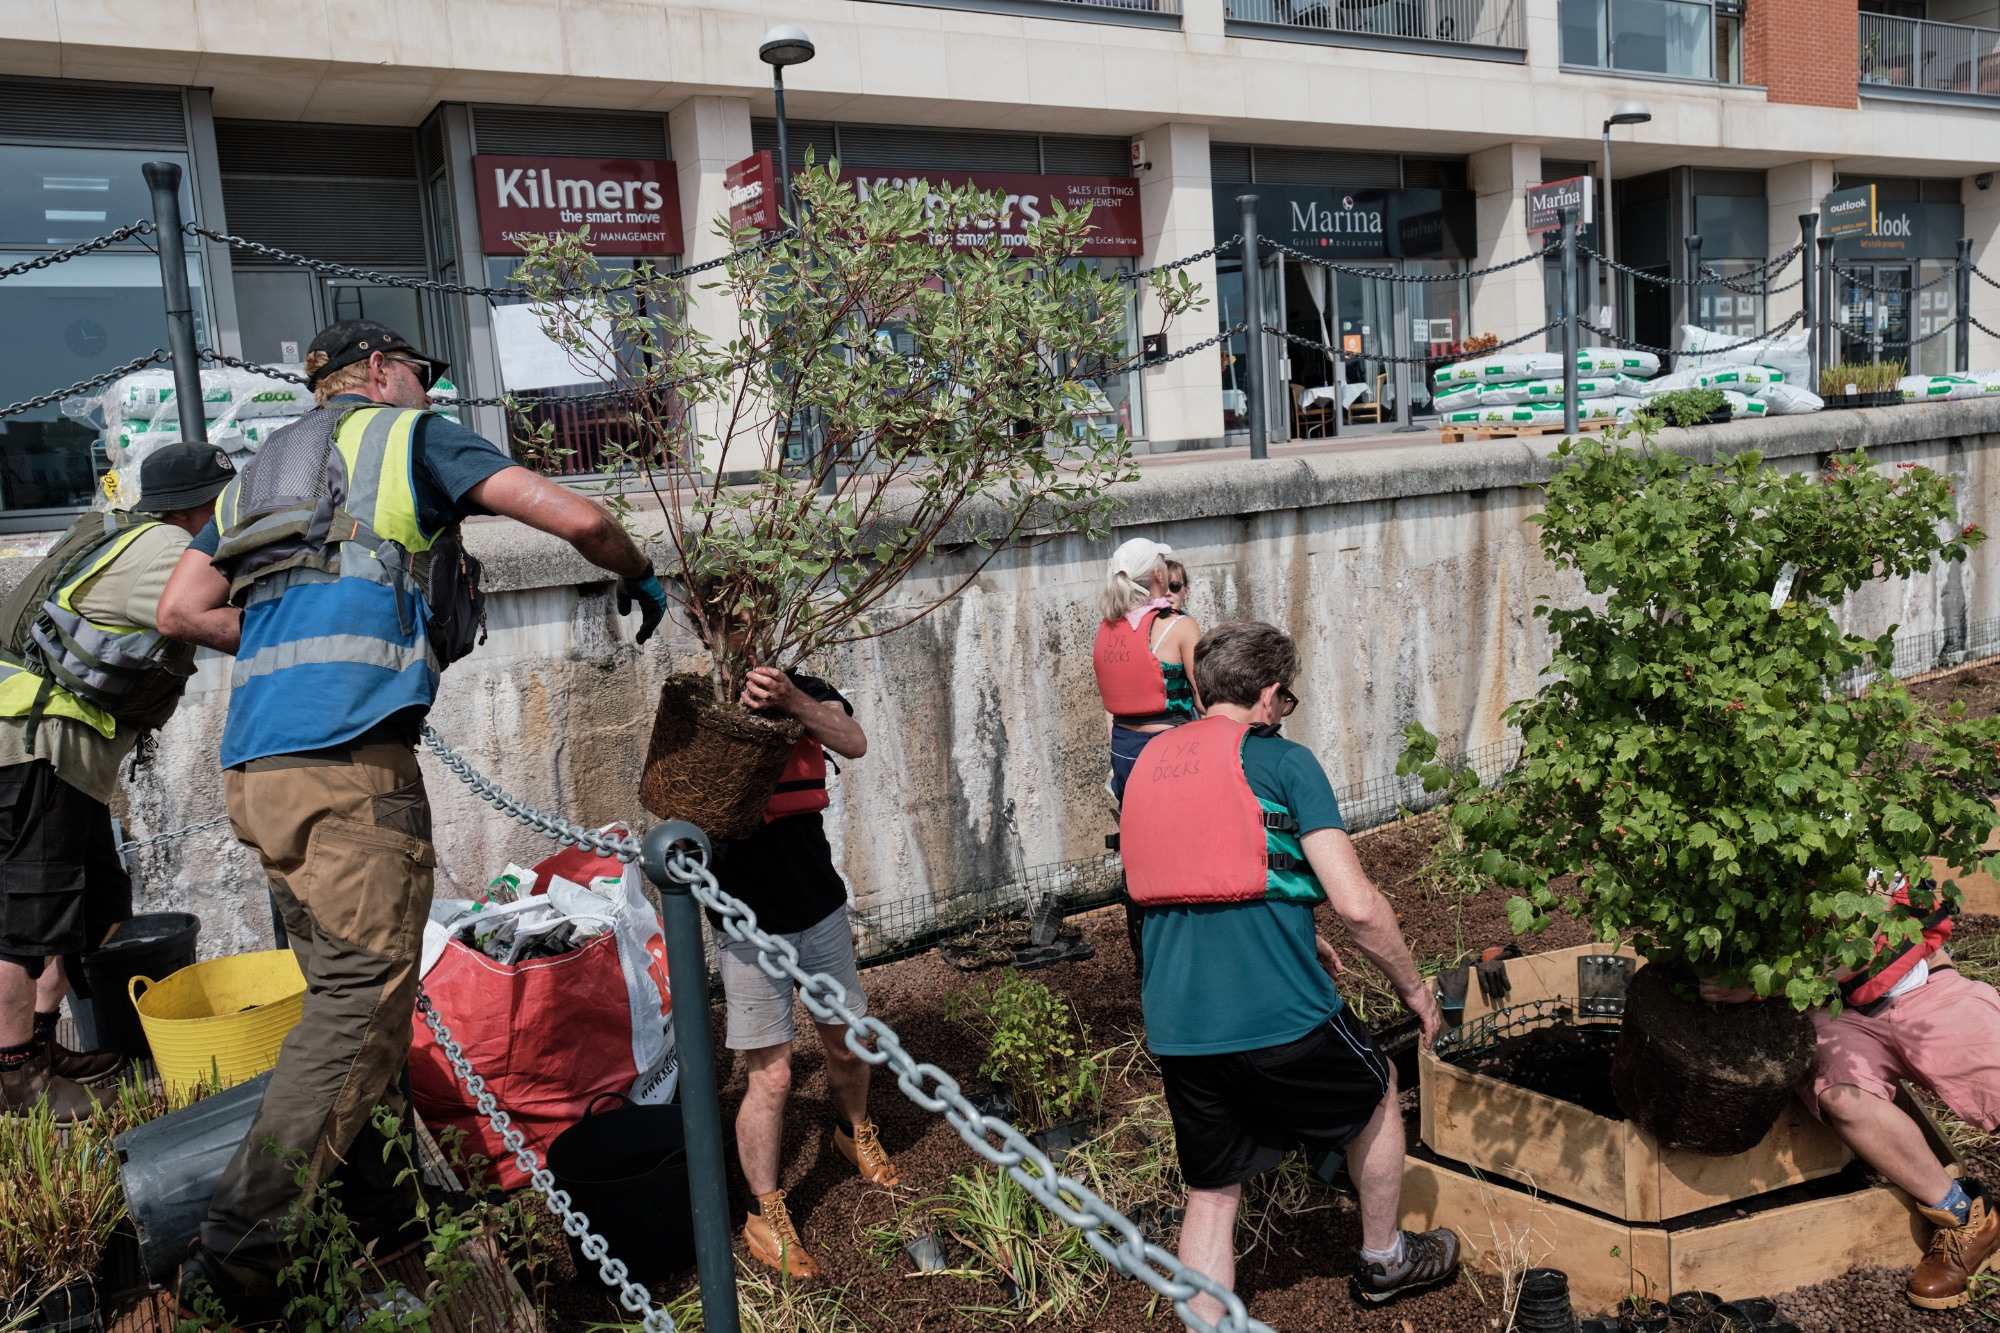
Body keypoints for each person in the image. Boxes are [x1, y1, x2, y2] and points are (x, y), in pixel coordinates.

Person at [155, 319, 670, 1324]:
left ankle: (387, 1205)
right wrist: (634, 569)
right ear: (383, 374)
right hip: (352, 771)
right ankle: (237, 1259)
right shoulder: (407, 436)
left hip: (259, 768)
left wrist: (284, 640)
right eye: (422, 378)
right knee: (358, 1004)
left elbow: (180, 608)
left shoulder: (261, 470)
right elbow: (565, 511)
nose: (430, 394)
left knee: (347, 1002)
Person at [1118, 621, 1458, 1322]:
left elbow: (1186, 877)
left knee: (1212, 1192)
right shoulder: (1283, 759)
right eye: (1285, 699)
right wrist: (1415, 989)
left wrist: (1298, 934)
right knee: (1377, 1085)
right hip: (1279, 1012)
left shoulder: (1145, 763)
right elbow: (1359, 907)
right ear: (1270, 695)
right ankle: (1386, 1258)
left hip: (1180, 1025)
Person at [0, 443, 241, 1117]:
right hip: (32, 742)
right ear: (201, 507)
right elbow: (197, 611)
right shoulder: (167, 550)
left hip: (61, 751)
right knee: (24, 921)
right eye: (227, 504)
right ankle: (15, 1075)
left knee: (85, 908)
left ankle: (43, 1047)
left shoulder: (119, 536)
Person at [1701, 875, 1999, 1311]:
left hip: (1927, 991)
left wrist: (1757, 987)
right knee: (1841, 1096)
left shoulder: (1853, 825)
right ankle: (1964, 1218)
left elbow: (1861, 944)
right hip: (1835, 1014)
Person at [713, 663, 893, 1278]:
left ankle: (852, 1131)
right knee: (773, 1080)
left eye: (757, 601)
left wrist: (791, 700)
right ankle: (765, 1215)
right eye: (729, 609)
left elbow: (853, 741)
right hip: (743, 919)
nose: (746, 618)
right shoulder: (706, 694)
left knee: (849, 1044)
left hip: (818, 905)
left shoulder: (803, 685)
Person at [1092, 537, 1198, 804]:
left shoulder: (1108, 626)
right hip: (1173, 751)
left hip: (1123, 750)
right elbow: (1205, 699)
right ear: (1159, 575)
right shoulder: (1180, 626)